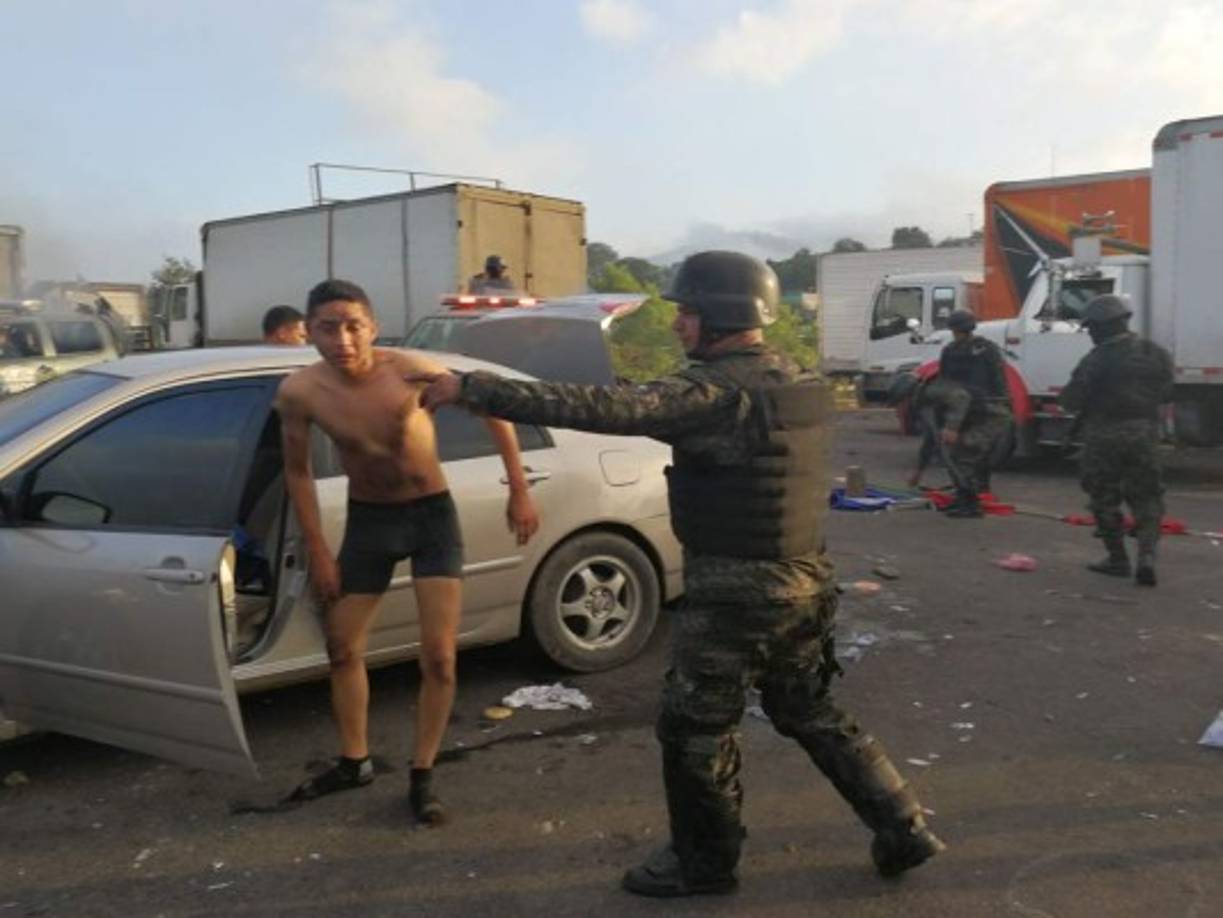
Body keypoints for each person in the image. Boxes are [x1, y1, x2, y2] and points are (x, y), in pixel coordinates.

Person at [415, 251, 943, 896]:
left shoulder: (715, 394)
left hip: (735, 595)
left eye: (687, 312)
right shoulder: (796, 378)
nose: (677, 324)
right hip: (804, 582)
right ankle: (903, 824)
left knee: (695, 729)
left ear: (721, 314)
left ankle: (704, 862)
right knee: (809, 709)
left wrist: (473, 389)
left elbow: (602, 407)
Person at [274, 278, 539, 824]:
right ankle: (355, 761)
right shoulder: (300, 392)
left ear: (372, 327)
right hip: (370, 522)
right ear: (310, 332)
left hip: (430, 517)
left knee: (439, 657)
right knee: (342, 646)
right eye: (328, 328)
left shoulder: (410, 370)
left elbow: (493, 411)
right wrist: (317, 549)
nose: (343, 339)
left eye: (353, 326)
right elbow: (297, 471)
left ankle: (423, 772)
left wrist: (519, 489)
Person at [1058, 294, 1173, 586]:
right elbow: (1166, 392)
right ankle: (1147, 556)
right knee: (1147, 496)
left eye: (1091, 328)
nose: (1090, 333)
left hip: (1103, 436)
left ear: (1101, 327)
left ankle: (1118, 559)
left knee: (1103, 497)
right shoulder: (1155, 352)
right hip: (1144, 433)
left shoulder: (1096, 359)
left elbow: (1070, 401)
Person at [935, 310, 1012, 517]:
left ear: (955, 329)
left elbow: (946, 383)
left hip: (977, 410)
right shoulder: (987, 349)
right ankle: (966, 497)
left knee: (963, 456)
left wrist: (949, 420)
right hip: (981, 408)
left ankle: (970, 502)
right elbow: (1000, 379)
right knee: (967, 455)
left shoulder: (953, 351)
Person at [906, 376, 973, 490]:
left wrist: (952, 427)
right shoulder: (926, 405)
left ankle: (970, 491)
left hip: (981, 418)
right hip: (964, 420)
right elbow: (929, 441)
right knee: (945, 448)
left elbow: (961, 396)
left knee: (960, 454)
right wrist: (919, 471)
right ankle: (965, 489)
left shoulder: (931, 392)